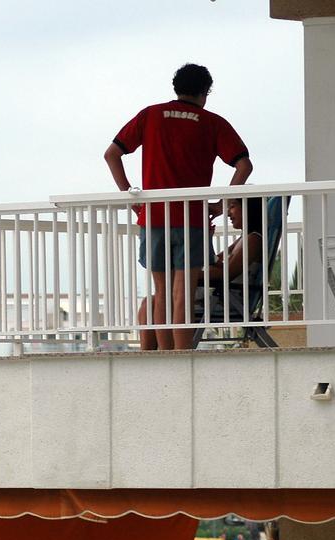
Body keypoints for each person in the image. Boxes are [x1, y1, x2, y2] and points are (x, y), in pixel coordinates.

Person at [105, 63, 253, 350]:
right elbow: (243, 164)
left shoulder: (150, 115)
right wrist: (222, 204)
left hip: (154, 214)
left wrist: (132, 197)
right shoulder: (213, 122)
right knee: (182, 293)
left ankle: (164, 356)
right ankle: (184, 357)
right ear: (205, 92)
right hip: (192, 218)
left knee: (160, 293)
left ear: (176, 87)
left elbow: (112, 154)